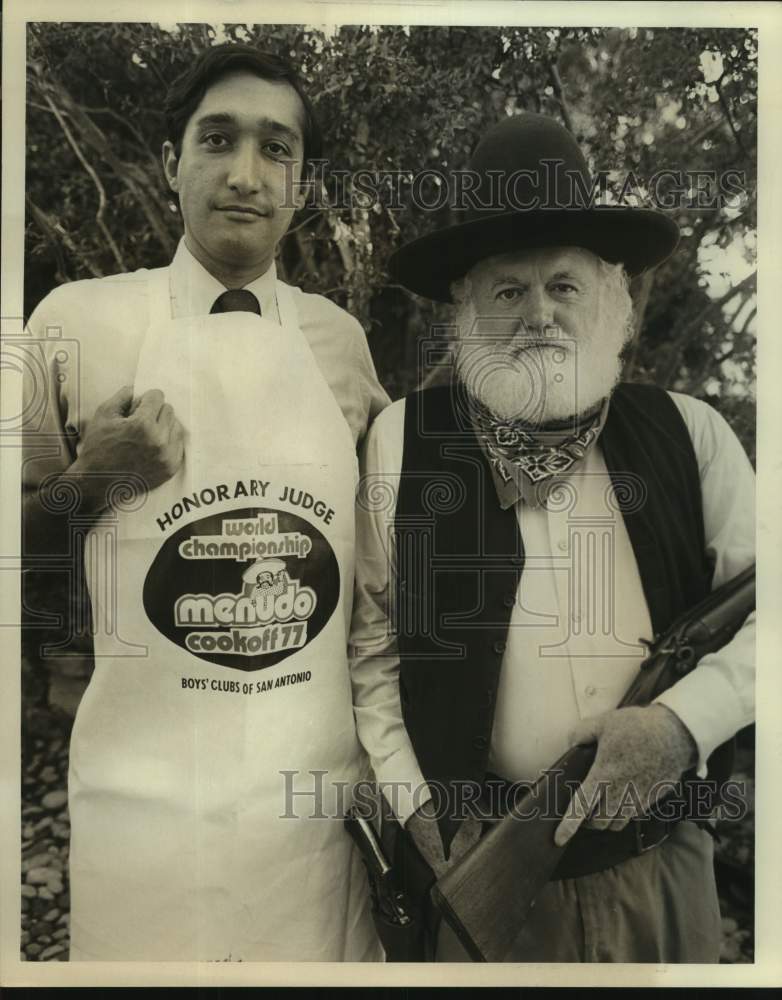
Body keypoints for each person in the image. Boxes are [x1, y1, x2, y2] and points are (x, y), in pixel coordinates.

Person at [349, 113, 755, 962]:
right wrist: (421, 812)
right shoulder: (401, 442)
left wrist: (682, 726)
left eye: (563, 286)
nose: (540, 314)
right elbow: (374, 650)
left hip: (660, 867)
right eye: (509, 290)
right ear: (466, 311)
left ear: (610, 299)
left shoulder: (694, 434)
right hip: (482, 875)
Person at [22, 43, 389, 961]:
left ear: (302, 183)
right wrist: (87, 485)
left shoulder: (339, 344)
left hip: (313, 810)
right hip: (143, 812)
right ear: (168, 160)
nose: (244, 174)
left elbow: (389, 567)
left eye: (277, 149)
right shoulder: (70, 322)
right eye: (217, 139)